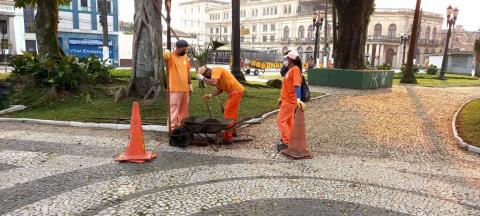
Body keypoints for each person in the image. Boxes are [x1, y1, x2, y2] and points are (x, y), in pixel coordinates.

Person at [196, 66, 245, 144]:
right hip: (235, 92)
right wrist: (210, 95)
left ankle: (227, 138)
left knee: (228, 112)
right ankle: (232, 132)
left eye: (206, 75)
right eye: (205, 76)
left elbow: (213, 82)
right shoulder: (216, 76)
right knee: (232, 113)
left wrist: (202, 78)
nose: (207, 77)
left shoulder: (216, 70)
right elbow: (220, 90)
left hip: (236, 92)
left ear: (207, 71)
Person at [276, 50, 306, 151]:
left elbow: (297, 85)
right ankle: (292, 140)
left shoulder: (295, 70)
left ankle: (287, 142)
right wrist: (281, 98)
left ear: (290, 59)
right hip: (286, 100)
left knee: (280, 121)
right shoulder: (290, 69)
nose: (285, 60)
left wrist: (298, 99)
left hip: (290, 101)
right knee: (289, 122)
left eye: (286, 59)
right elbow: (287, 86)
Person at [163, 40, 193, 129]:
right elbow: (165, 58)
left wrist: (190, 85)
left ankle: (182, 129)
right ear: (177, 48)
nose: (184, 52)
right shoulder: (171, 56)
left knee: (184, 112)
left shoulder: (185, 58)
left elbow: (187, 73)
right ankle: (172, 130)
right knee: (174, 110)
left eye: (185, 50)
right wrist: (165, 52)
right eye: (183, 50)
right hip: (175, 90)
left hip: (185, 90)